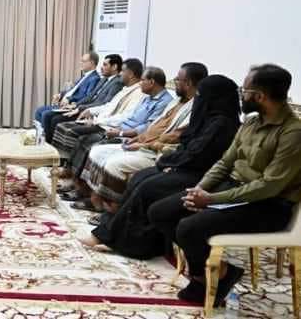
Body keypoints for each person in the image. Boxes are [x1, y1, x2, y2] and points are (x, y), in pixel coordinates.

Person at [148, 64, 301, 306]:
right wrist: (200, 189)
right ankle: (220, 272)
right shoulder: (251, 123)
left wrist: (211, 199)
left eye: (244, 90)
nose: (241, 95)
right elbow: (225, 162)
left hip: (268, 206)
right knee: (160, 212)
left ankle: (208, 279)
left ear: (260, 96)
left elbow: (268, 186)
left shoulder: (293, 133)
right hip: (232, 190)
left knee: (188, 228)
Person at [80, 74, 241, 259]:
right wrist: (168, 162)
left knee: (148, 188)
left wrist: (169, 163)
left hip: (202, 176)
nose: (197, 99)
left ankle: (126, 243)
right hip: (186, 168)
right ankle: (116, 234)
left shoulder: (221, 124)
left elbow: (198, 155)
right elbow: (186, 146)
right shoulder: (208, 118)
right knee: (140, 178)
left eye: (201, 95)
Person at [80, 63, 207, 213]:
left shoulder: (194, 108)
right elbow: (154, 125)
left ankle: (113, 209)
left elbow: (172, 137)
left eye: (177, 79)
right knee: (96, 152)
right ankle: (96, 199)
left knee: (112, 164)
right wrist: (138, 138)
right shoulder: (177, 101)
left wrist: (140, 143)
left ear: (189, 83)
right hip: (141, 141)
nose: (174, 82)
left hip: (156, 152)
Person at [53, 59, 145, 196]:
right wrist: (91, 111)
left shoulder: (139, 93)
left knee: (86, 141)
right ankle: (71, 175)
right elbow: (109, 106)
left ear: (131, 74)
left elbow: (125, 116)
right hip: (104, 122)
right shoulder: (126, 89)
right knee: (81, 138)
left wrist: (98, 121)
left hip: (113, 127)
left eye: (122, 71)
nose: (120, 74)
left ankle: (78, 184)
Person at [44, 54, 124, 142]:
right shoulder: (104, 79)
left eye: (105, 65)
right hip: (84, 108)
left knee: (55, 119)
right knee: (50, 115)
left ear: (114, 67)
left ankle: (52, 146)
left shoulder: (117, 83)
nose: (101, 67)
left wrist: (80, 108)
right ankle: (48, 144)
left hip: (92, 113)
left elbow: (104, 103)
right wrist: (76, 105)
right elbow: (90, 96)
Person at [34, 52, 101, 132]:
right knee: (39, 110)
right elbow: (73, 90)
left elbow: (87, 96)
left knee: (46, 114)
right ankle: (43, 133)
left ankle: (46, 136)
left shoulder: (94, 78)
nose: (80, 63)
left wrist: (69, 99)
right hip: (64, 104)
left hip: (73, 106)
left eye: (83, 61)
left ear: (92, 63)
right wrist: (60, 95)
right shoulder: (85, 76)